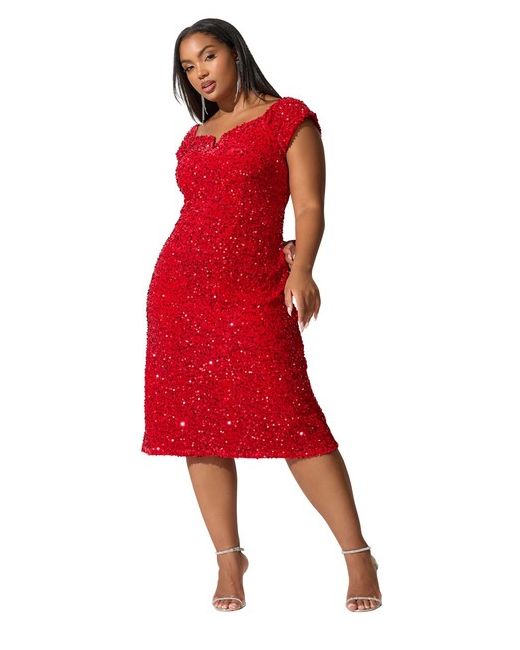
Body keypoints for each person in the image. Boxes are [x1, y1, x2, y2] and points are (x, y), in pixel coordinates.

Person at [141, 18, 382, 613]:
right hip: (179, 292)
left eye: (208, 56)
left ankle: (358, 555)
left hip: (255, 290)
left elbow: (310, 204)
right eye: (188, 66)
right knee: (196, 427)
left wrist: (302, 268)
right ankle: (229, 559)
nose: (199, 73)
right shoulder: (196, 136)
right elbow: (208, 210)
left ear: (235, 53)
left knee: (295, 419)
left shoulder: (287, 118)